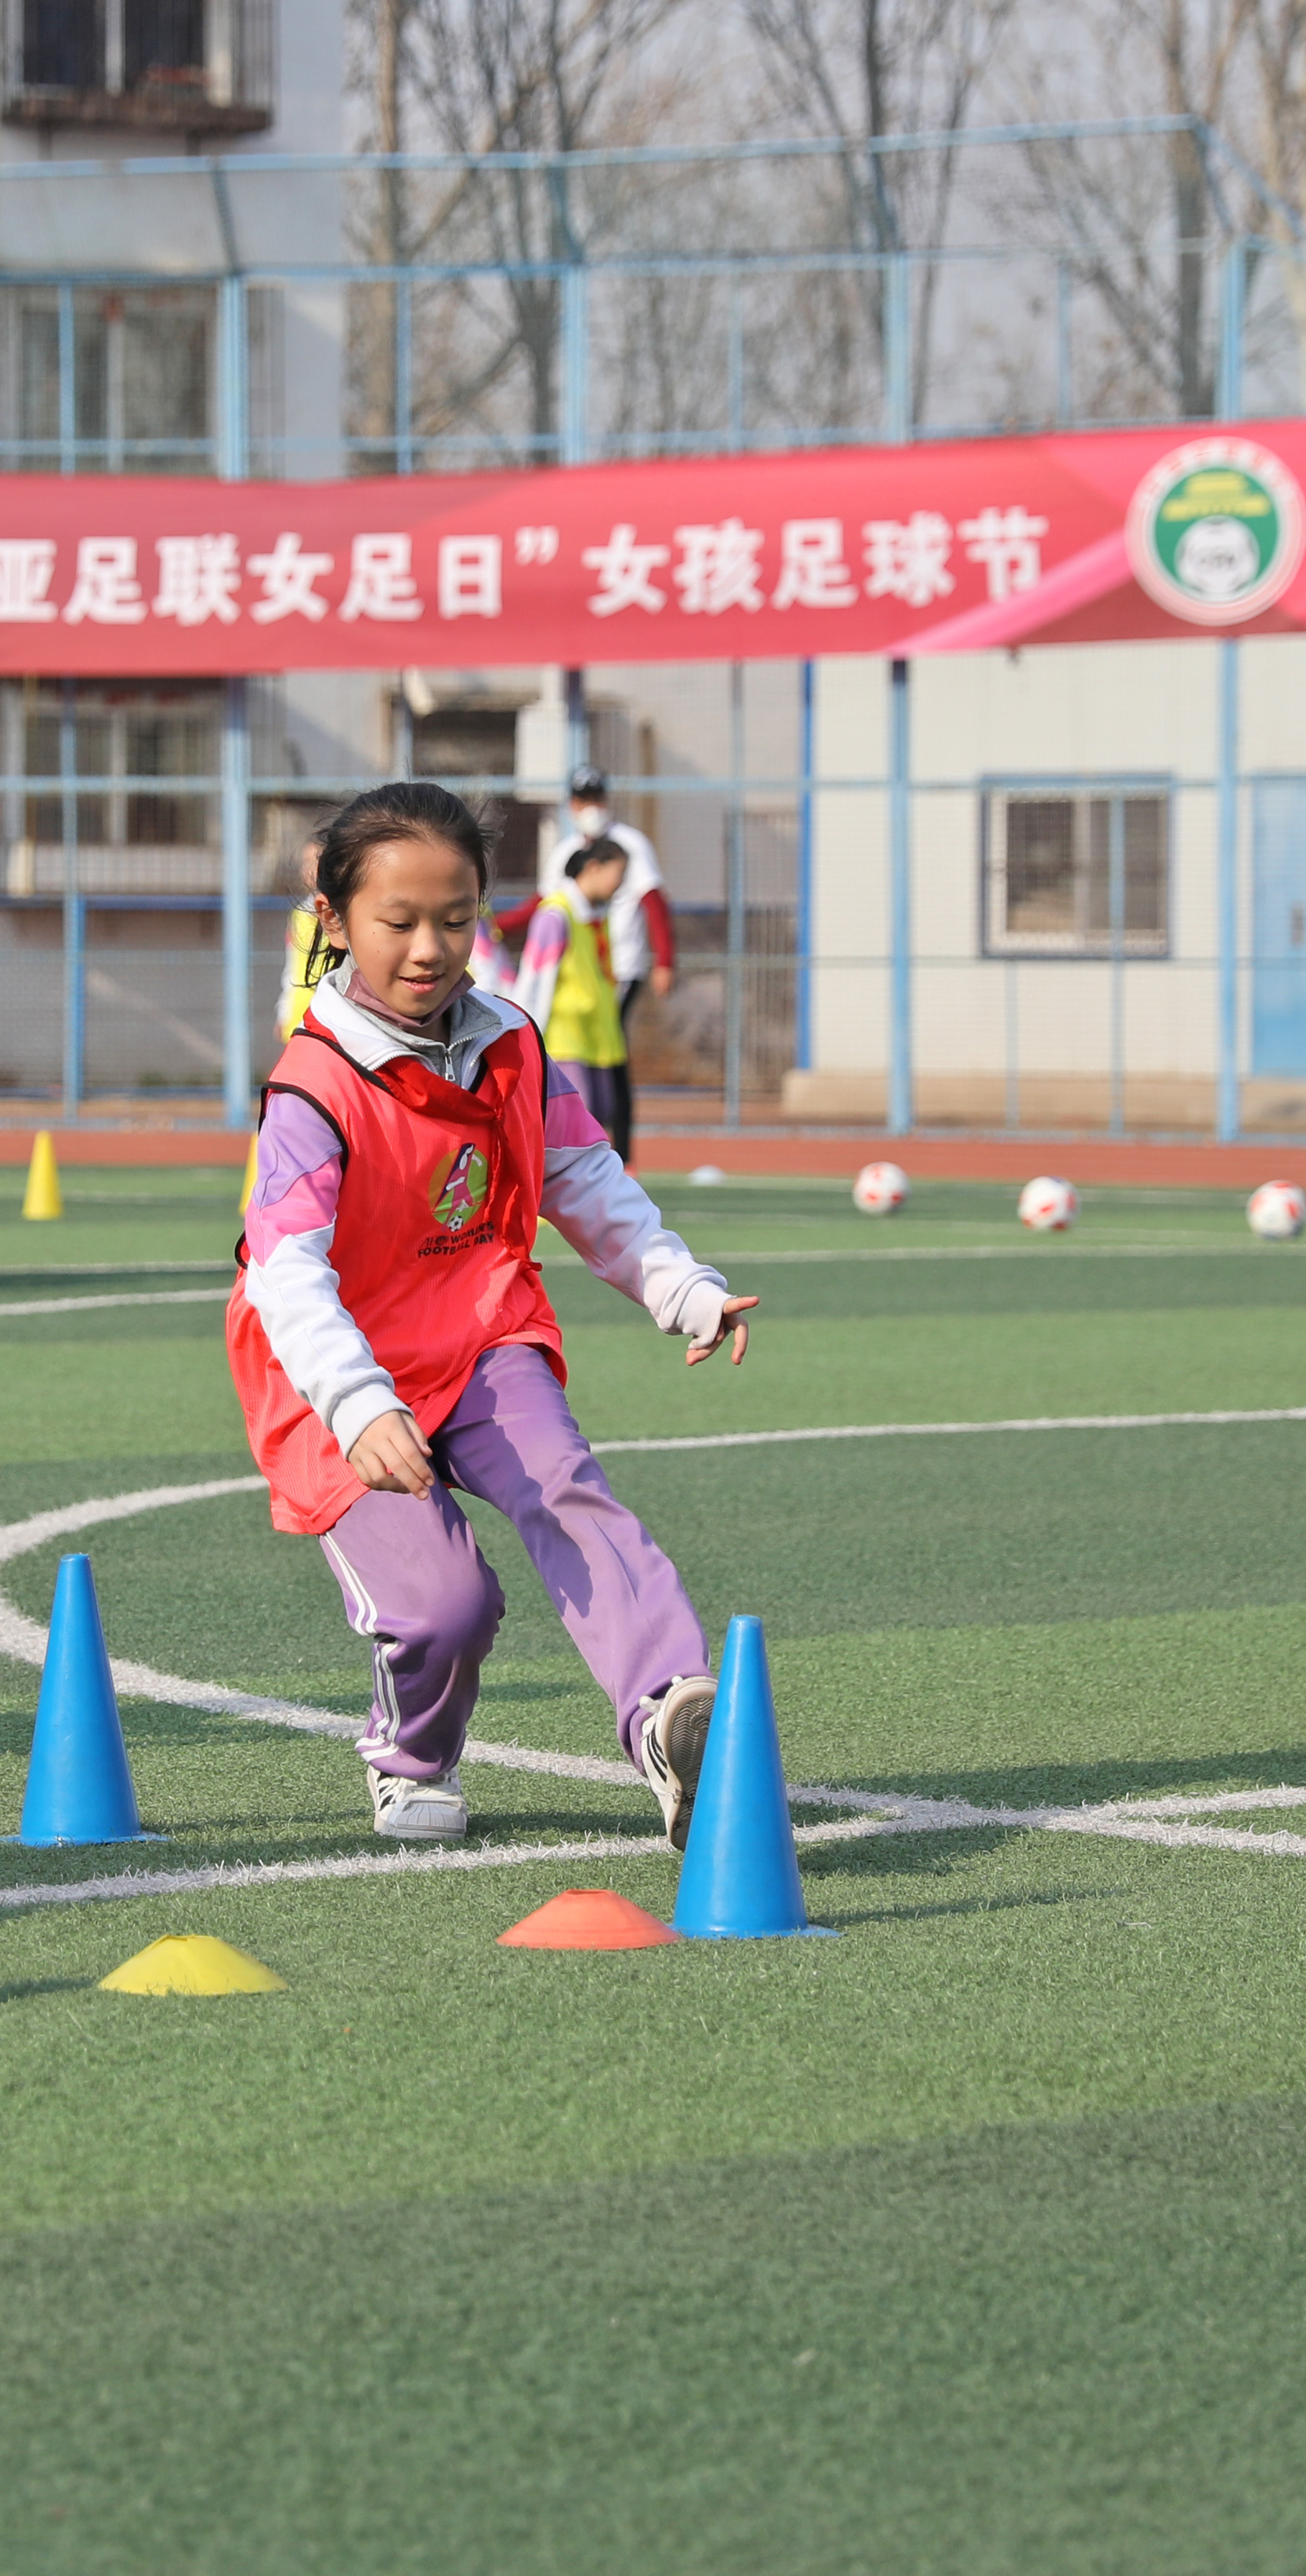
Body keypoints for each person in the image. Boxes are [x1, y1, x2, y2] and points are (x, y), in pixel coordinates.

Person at [229, 781, 756, 1848]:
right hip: (338, 1375)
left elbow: (585, 1179)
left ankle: (667, 1712)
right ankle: (411, 1756)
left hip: (479, 1332)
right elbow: (287, 1274)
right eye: (399, 921)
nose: (430, 947)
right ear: (333, 921)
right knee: (447, 1609)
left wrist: (678, 1284)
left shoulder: (511, 1039)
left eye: (457, 918)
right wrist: (357, 1403)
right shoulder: (311, 1087)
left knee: (569, 1490)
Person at [508, 835, 639, 1163]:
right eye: (617, 874)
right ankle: (543, 1200)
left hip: (596, 1036)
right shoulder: (556, 915)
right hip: (566, 1037)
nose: (620, 884)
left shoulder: (595, 916)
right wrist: (527, 1033)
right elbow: (536, 978)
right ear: (594, 868)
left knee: (598, 1116)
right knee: (569, 1124)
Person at [548, 764, 675, 1016]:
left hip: (621, 965)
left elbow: (654, 902)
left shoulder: (630, 844)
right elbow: (543, 903)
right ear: (572, 805)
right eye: (583, 801)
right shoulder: (565, 851)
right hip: (577, 968)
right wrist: (493, 926)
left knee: (609, 1040)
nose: (590, 808)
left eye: (596, 799)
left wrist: (665, 961)